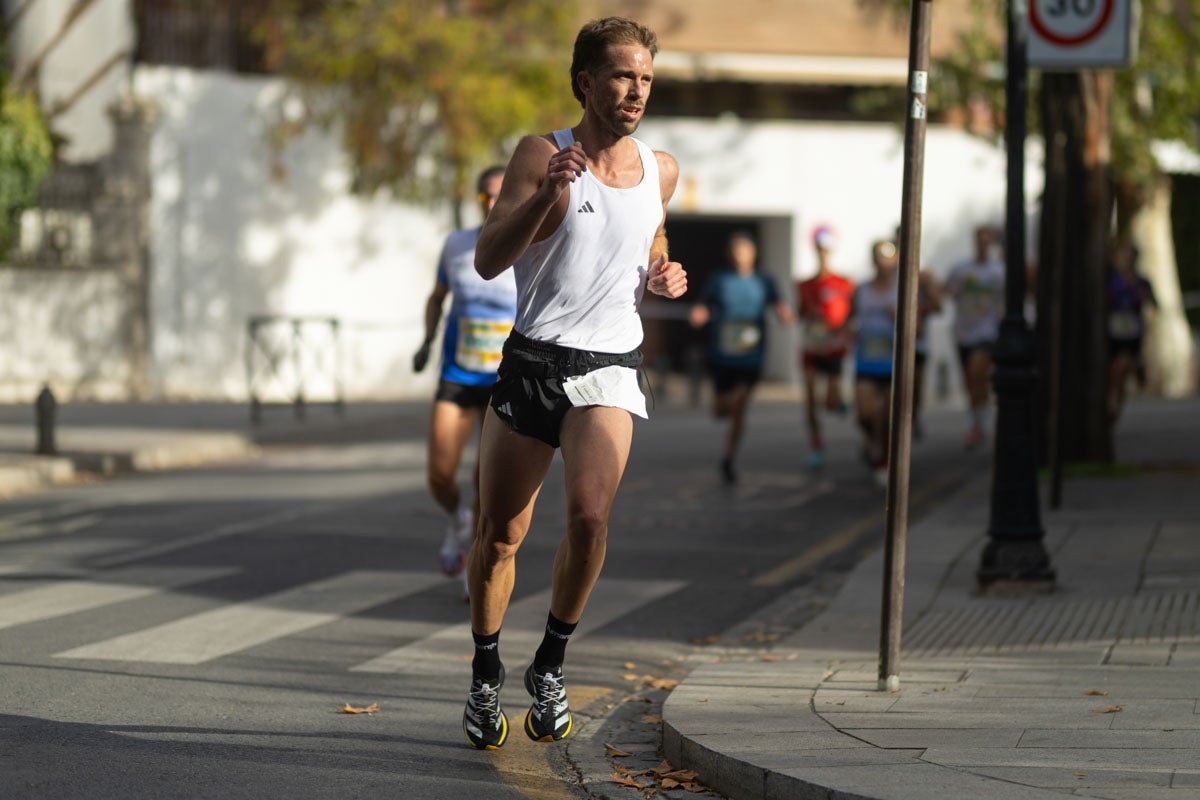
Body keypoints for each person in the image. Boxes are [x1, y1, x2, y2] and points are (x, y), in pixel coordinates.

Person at [462, 17, 687, 751]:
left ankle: (550, 663)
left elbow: (650, 231)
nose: (636, 91)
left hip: (607, 369)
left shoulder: (662, 168)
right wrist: (540, 198)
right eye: (623, 76)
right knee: (501, 537)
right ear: (586, 81)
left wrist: (663, 268)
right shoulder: (541, 153)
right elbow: (489, 261)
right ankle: (485, 671)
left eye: (647, 78)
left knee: (590, 516)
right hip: (531, 363)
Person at [412, 166, 516, 601]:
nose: (492, 205)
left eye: (500, 196)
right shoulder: (456, 245)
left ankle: (475, 570)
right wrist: (426, 340)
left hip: (503, 380)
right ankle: (457, 518)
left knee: (483, 481)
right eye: (484, 198)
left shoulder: (531, 243)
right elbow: (438, 297)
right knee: (439, 475)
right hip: (456, 373)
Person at [689, 230, 793, 484]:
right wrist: (699, 313)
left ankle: (729, 456)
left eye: (744, 249)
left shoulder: (764, 280)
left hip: (752, 355)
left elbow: (779, 304)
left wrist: (784, 313)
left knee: (739, 407)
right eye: (735, 250)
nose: (740, 254)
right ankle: (725, 414)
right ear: (729, 254)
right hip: (723, 354)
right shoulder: (719, 279)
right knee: (720, 410)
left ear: (753, 253)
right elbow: (703, 303)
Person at [796, 226, 854, 468]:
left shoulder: (844, 283)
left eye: (827, 250)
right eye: (820, 249)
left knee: (829, 403)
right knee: (810, 399)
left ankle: (839, 401)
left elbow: (851, 314)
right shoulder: (804, 285)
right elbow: (800, 313)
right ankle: (817, 445)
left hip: (834, 347)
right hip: (811, 345)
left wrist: (845, 330)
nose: (823, 254)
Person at [944, 226, 1004, 448]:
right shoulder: (961, 269)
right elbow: (946, 290)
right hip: (963, 332)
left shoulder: (999, 271)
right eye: (979, 240)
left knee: (978, 371)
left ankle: (980, 422)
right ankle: (977, 420)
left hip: (987, 332)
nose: (983, 244)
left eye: (987, 240)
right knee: (971, 381)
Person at [853, 240, 900, 487]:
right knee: (865, 414)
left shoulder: (902, 290)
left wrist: (898, 318)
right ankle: (873, 442)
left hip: (893, 364)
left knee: (889, 416)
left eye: (889, 256)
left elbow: (919, 329)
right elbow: (850, 320)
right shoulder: (861, 290)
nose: (884, 262)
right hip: (866, 361)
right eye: (879, 256)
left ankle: (883, 458)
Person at [1107, 240, 1156, 423]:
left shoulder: (1142, 281)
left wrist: (1142, 296)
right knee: (1115, 370)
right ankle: (1114, 402)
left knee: (1122, 364)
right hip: (1114, 330)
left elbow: (1154, 303)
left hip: (1133, 331)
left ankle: (1115, 406)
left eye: (1131, 257)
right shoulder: (1112, 279)